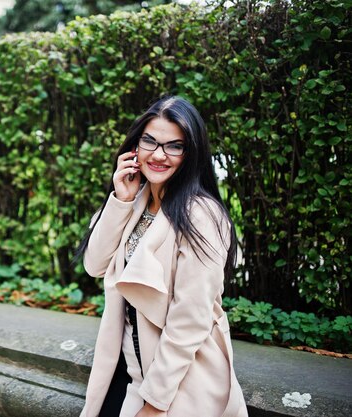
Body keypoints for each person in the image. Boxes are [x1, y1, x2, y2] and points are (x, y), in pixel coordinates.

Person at [77, 96, 248, 417]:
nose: (158, 154)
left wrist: (155, 405)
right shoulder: (133, 200)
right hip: (125, 369)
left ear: (191, 154)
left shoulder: (202, 215)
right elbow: (94, 264)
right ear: (135, 145)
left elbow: (191, 318)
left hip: (180, 382)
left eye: (174, 146)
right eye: (150, 141)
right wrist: (120, 200)